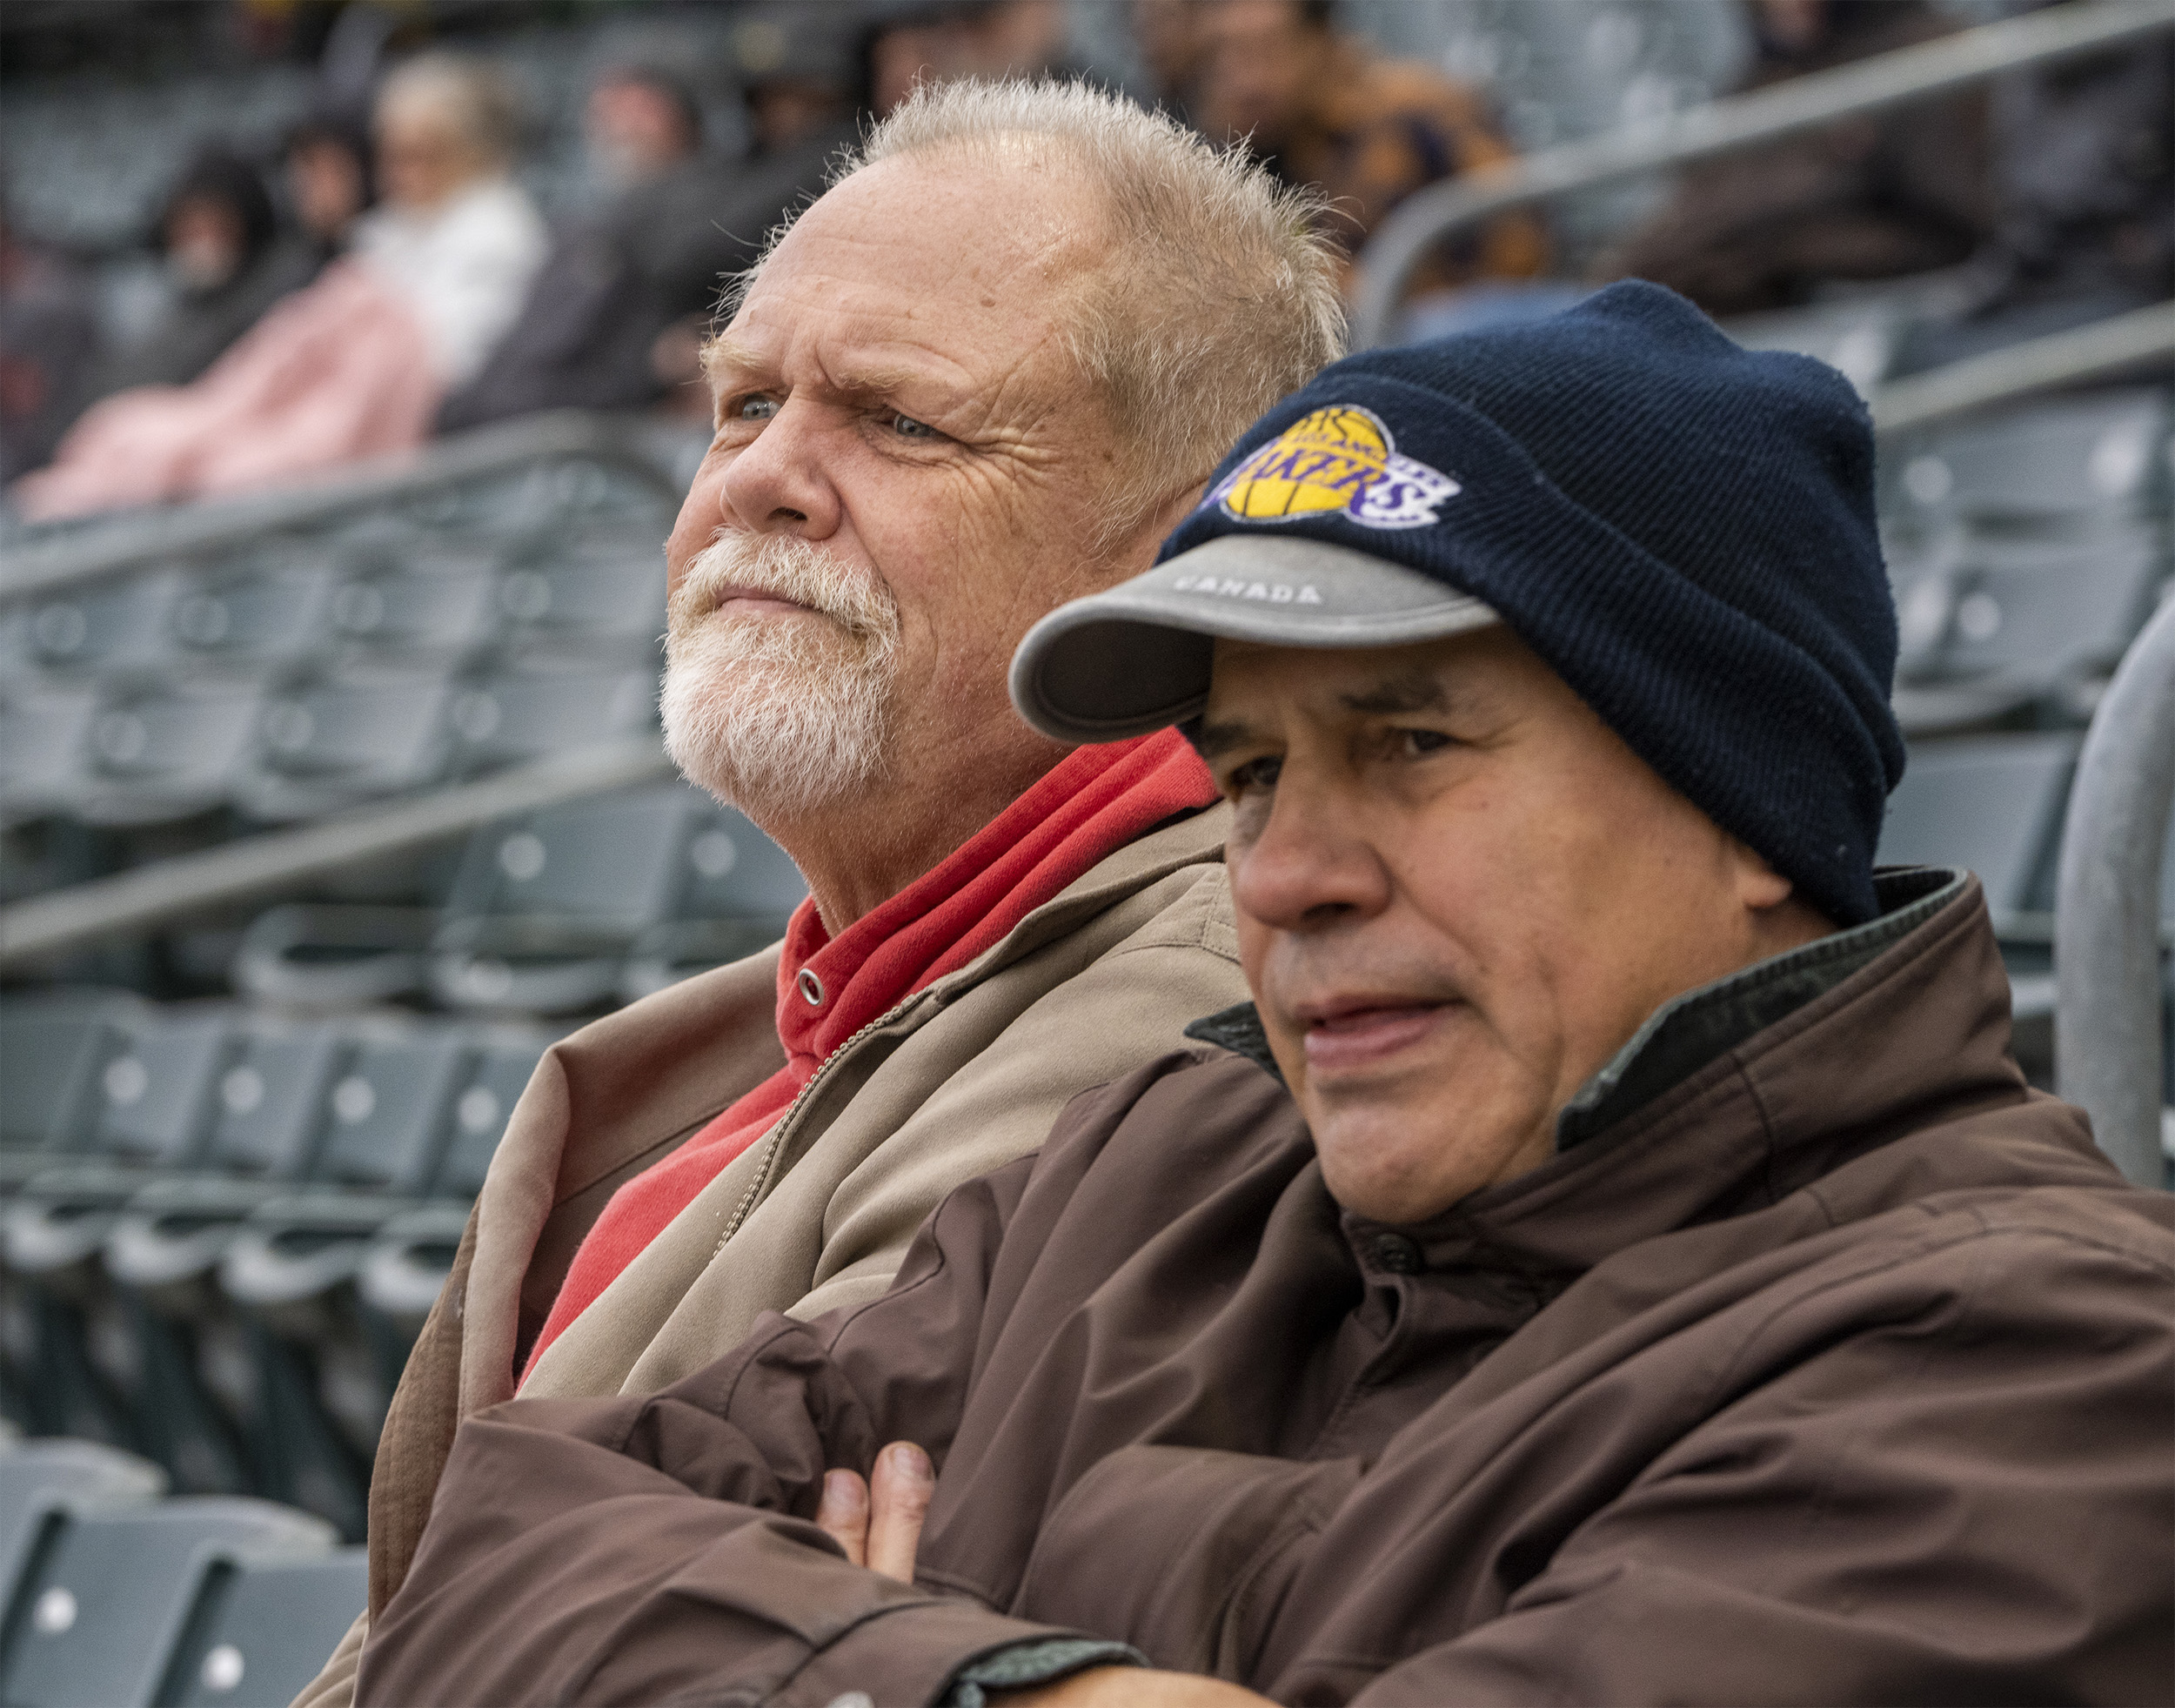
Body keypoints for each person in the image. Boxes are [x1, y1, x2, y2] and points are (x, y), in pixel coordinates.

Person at [357, 283, 2173, 1706]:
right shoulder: (1166, 1157)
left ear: (1740, 804)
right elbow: (502, 1549)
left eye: (1406, 742)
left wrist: (861, 1639)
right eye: (1245, 776)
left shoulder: (2048, 1357)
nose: (1288, 868)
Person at [293, 77, 1343, 1708]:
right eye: (738, 403)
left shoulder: (1202, 1003)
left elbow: (603, 1639)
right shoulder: (828, 990)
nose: (761, 479)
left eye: (902, 420)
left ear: (1174, 555)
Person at [11, 52, 545, 521]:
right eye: (392, 154)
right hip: (289, 421)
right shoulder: (378, 243)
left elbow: (415, 377)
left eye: (420, 154)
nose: (398, 174)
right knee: (128, 433)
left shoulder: (493, 239)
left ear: (469, 152)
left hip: (358, 452)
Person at [437, 50, 852, 433]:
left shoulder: (715, 236)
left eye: (643, 106)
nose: (622, 123)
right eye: (610, 105)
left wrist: (650, 373)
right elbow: (509, 379)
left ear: (685, 118)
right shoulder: (580, 234)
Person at [1606, 0, 1996, 316]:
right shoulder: (1769, 77)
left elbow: (1961, 234)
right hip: (1703, 307)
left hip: (1870, 314)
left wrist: (1784, 253)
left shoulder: (1923, 56)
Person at [1194, 0, 1546, 295]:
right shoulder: (1258, 142)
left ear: (1321, 42)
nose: (1245, 83)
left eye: (1266, 53)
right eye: (1226, 59)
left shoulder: (1409, 113)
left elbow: (1520, 250)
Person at [78, 149, 320, 402]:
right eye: (188, 225)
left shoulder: (284, 285)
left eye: (212, 223)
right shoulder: (180, 300)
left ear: (245, 220)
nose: (199, 239)